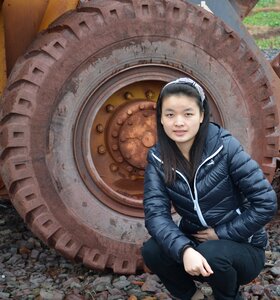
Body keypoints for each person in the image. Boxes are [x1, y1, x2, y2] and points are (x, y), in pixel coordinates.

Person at [142, 77, 277, 300]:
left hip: (243, 248)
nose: (179, 122)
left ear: (202, 115)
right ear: (161, 119)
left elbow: (266, 202)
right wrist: (184, 249)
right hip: (197, 245)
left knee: (212, 253)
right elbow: (155, 215)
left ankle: (227, 297)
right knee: (152, 251)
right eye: (170, 115)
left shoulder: (225, 147)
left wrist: (221, 233)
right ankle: (193, 296)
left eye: (188, 114)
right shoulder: (158, 159)